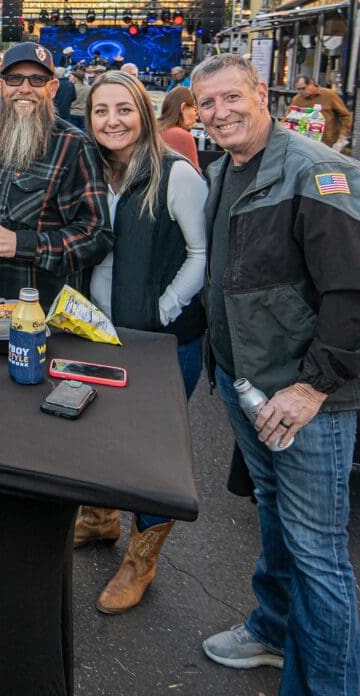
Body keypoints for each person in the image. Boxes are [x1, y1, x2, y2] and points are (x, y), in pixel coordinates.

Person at [191, 54, 360, 693]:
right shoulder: (224, 170)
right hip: (249, 385)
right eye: (208, 104)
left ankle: (330, 685)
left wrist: (312, 387)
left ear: (261, 93)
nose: (221, 113)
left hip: (305, 398)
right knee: (274, 512)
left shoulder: (317, 170)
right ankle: (272, 629)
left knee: (319, 554)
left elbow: (351, 293)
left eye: (232, 98)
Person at [76, 70, 207, 612]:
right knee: (100, 432)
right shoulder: (90, 171)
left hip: (163, 342)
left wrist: (162, 310)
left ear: (144, 114)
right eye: (101, 111)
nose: (113, 121)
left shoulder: (175, 173)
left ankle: (141, 559)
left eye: (124, 109)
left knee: (153, 453)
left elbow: (202, 255)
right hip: (101, 333)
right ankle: (102, 518)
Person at [0, 42, 112, 311]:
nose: (25, 89)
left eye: (37, 79)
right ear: (0, 86)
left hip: (36, 316)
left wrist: (23, 244)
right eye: (15, 79)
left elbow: (96, 236)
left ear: (52, 89)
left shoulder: (74, 145)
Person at [287, 74, 352, 150]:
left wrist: (342, 135)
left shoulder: (329, 95)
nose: (301, 91)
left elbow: (345, 115)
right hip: (304, 143)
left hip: (327, 144)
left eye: (303, 88)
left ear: (312, 84)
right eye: (299, 89)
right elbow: (287, 117)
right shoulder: (297, 99)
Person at [157, 86, 200, 169]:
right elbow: (194, 176)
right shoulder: (180, 135)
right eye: (195, 109)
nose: (197, 117)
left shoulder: (154, 129)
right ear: (183, 107)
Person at [68, 64, 89, 130]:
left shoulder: (71, 87)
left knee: (73, 133)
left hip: (73, 113)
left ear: (76, 78)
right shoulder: (89, 88)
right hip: (84, 114)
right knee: (84, 134)